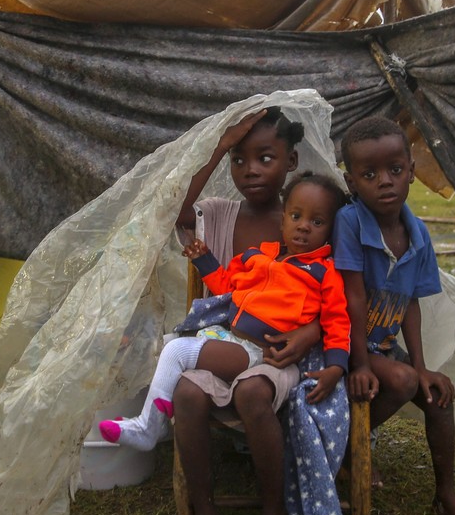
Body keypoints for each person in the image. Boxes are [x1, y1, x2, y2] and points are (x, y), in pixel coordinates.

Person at [170, 105, 327, 515]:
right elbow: (175, 209)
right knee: (188, 392)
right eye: (239, 160)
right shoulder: (219, 215)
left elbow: (333, 290)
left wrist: (310, 334)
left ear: (291, 159)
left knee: (253, 392)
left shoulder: (305, 218)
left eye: (265, 157)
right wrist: (218, 146)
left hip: (280, 352)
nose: (251, 170)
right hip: (226, 342)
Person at [99, 172, 349, 452]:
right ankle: (154, 420)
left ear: (330, 230)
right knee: (165, 345)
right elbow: (227, 288)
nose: (303, 227)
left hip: (259, 352)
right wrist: (204, 260)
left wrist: (337, 367)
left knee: (177, 352)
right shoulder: (257, 257)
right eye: (296, 217)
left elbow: (338, 321)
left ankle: (148, 427)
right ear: (282, 221)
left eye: (316, 222)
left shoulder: (323, 273)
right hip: (229, 337)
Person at [333, 115, 455, 515]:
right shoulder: (350, 222)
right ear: (351, 183)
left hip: (381, 347)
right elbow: (353, 298)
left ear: (412, 172)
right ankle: (347, 448)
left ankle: (446, 494)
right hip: (340, 344)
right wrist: (361, 364)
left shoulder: (417, 234)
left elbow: (410, 305)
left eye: (395, 170)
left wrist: (422, 366)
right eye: (370, 174)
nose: (385, 181)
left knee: (436, 394)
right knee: (399, 381)